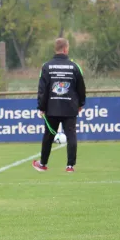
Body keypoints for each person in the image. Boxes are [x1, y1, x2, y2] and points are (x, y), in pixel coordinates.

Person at [33, 38, 86, 173]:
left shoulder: (46, 66)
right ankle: (70, 166)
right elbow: (81, 88)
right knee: (71, 135)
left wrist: (42, 107)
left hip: (52, 108)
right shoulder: (75, 67)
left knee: (48, 136)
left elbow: (43, 90)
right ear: (65, 49)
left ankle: (43, 164)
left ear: (55, 49)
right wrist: (80, 104)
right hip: (70, 107)